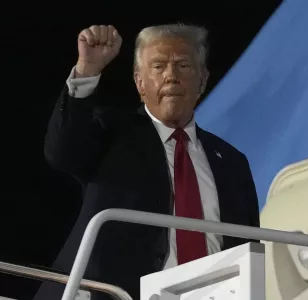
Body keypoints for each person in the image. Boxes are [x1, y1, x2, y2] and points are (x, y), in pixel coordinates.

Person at [36, 23, 260, 300]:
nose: (171, 76)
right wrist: (87, 70)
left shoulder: (232, 162)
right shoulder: (111, 133)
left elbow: (249, 246)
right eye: (158, 67)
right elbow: (62, 152)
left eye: (183, 66)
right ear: (140, 83)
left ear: (202, 80)